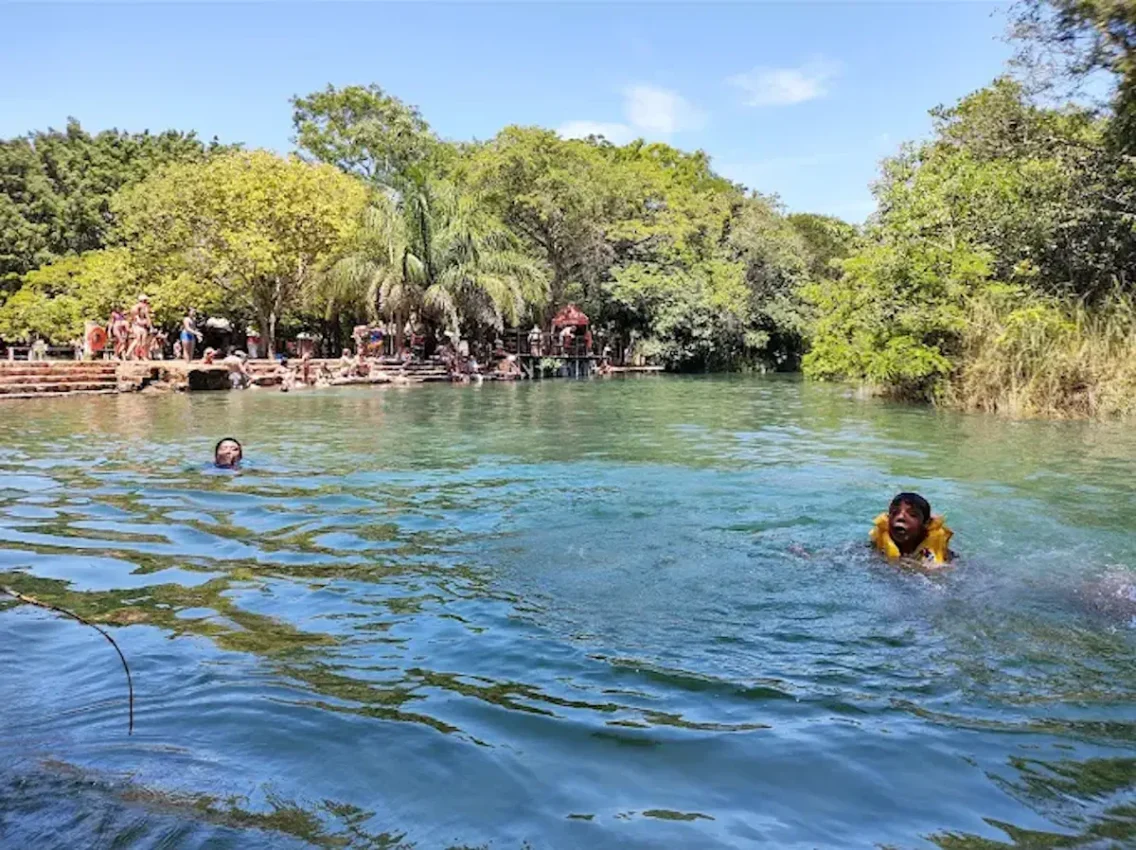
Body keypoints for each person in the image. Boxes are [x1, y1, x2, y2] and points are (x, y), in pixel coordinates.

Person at [870, 492, 953, 565]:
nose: (900, 517)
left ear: (926, 523)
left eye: (912, 514)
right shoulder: (875, 547)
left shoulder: (945, 555)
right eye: (894, 512)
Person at [128, 294, 152, 360]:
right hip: (136, 325)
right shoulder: (135, 308)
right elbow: (134, 317)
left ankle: (143, 355)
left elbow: (147, 317)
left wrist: (149, 325)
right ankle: (136, 355)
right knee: (138, 341)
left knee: (143, 342)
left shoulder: (145, 307)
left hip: (143, 326)